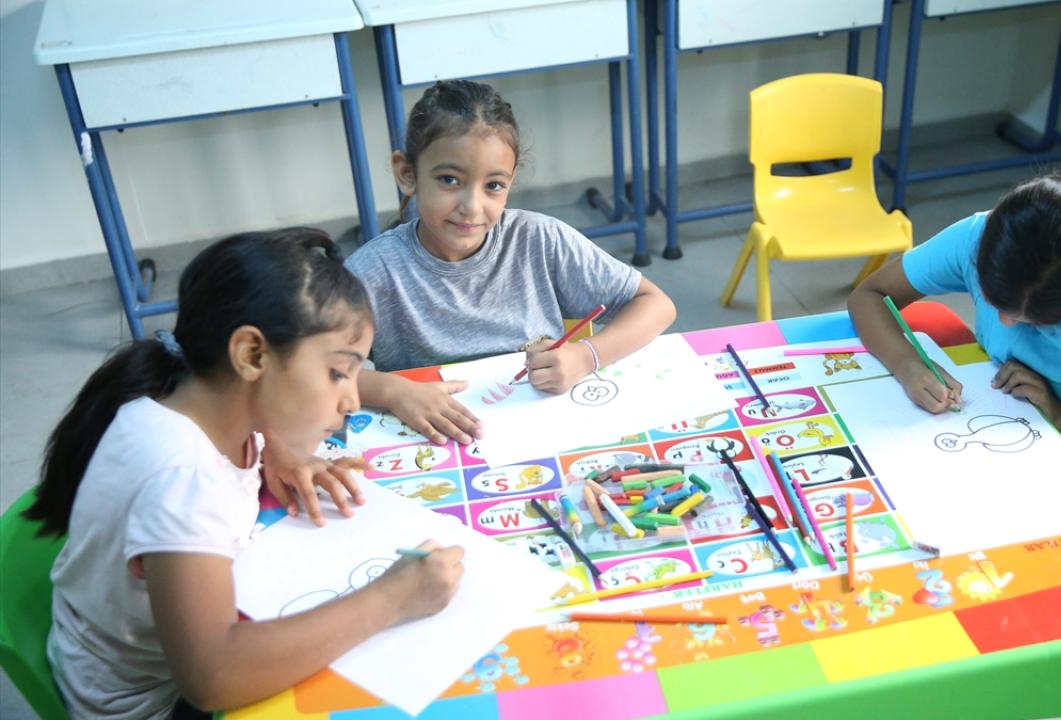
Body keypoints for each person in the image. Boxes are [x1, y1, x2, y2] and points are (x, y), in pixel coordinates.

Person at [24, 229, 465, 719]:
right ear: (252, 355)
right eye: (338, 373)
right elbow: (213, 677)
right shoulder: (184, 479)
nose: (351, 401)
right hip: (148, 705)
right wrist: (390, 599)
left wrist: (278, 450)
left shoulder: (194, 401)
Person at [847, 172, 1061, 536]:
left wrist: (1060, 417)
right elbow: (870, 294)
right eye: (993, 299)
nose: (1004, 322)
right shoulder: (980, 239)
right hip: (1006, 447)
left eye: (1034, 321)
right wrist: (907, 365)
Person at [346, 80, 676, 447]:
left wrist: (586, 356)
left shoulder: (540, 240)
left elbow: (656, 304)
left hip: (540, 435)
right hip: (431, 444)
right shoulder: (373, 271)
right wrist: (391, 390)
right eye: (449, 180)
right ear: (407, 174)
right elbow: (309, 369)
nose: (472, 206)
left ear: (511, 180)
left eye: (493, 185)